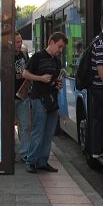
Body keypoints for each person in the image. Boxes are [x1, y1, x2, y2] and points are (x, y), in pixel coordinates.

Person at [23, 32, 67, 173]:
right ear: (51, 42)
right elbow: (25, 74)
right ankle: (31, 161)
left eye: (62, 48)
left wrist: (57, 84)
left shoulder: (57, 61)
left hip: (52, 99)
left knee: (49, 133)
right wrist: (40, 78)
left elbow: (55, 80)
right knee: (38, 131)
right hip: (39, 99)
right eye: (59, 46)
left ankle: (42, 161)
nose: (60, 50)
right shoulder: (37, 57)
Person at [88, 17, 103, 158]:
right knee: (100, 119)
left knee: (102, 118)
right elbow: (100, 68)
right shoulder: (100, 42)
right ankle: (97, 150)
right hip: (100, 88)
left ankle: (101, 149)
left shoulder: (98, 39)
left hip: (99, 87)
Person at [14, 41, 31, 162]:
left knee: (25, 125)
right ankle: (10, 153)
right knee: (8, 127)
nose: (19, 44)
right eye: (16, 42)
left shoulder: (24, 54)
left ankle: (24, 153)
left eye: (20, 41)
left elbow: (29, 71)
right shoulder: (5, 55)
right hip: (9, 97)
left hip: (23, 96)